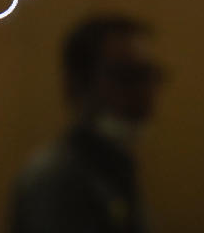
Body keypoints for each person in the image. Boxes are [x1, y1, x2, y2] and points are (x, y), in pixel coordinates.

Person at [10, 14, 164, 233]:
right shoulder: (55, 181)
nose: (143, 93)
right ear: (78, 84)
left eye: (148, 76)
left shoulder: (115, 168)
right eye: (127, 76)